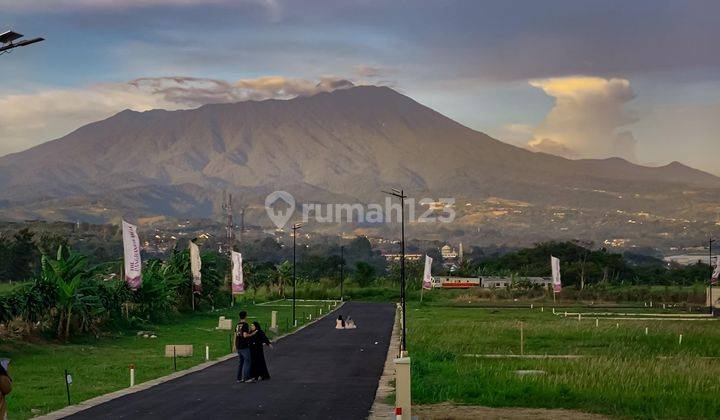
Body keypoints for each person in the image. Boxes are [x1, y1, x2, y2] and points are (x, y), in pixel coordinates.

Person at [235, 311, 256, 383]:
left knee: (241, 362)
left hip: (238, 345)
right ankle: (247, 378)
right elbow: (245, 335)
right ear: (246, 316)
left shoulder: (237, 325)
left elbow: (235, 335)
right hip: (244, 345)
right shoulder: (245, 325)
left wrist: (234, 345)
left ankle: (239, 378)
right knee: (248, 361)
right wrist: (252, 334)